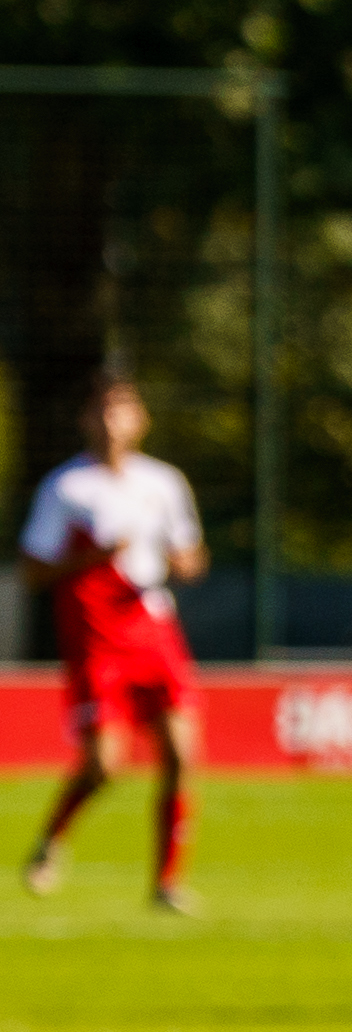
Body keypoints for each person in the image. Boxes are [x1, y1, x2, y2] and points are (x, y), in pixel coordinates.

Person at [19, 371, 205, 911]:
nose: (110, 419)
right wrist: (92, 560)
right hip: (97, 637)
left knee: (181, 753)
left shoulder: (163, 482)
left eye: (121, 408)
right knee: (104, 763)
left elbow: (191, 555)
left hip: (152, 625)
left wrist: (183, 562)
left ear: (141, 419)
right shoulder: (67, 487)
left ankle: (167, 883)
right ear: (85, 419)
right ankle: (52, 840)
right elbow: (33, 570)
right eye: (100, 409)